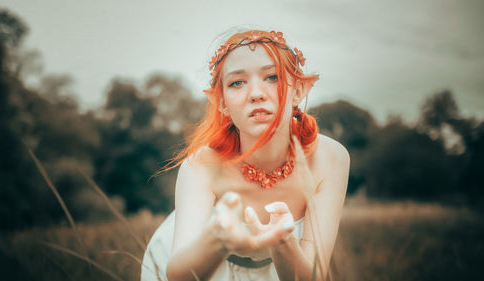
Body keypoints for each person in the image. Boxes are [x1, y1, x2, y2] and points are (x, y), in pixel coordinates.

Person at [141, 29, 350, 281]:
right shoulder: (201, 166)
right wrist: (218, 238)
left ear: (299, 90)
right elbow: (179, 277)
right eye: (237, 82)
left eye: (272, 77)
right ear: (221, 102)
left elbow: (313, 277)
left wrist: (283, 241)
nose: (256, 93)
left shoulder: (331, 159)